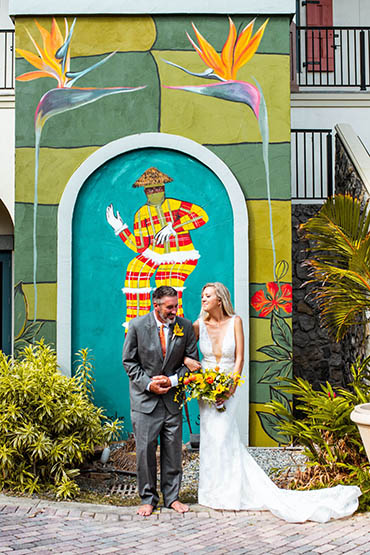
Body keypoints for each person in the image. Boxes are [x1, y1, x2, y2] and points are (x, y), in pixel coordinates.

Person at [184, 282, 362, 523]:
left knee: (224, 435)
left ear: (220, 300)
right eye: (202, 295)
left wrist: (231, 387)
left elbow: (239, 359)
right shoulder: (198, 325)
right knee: (211, 437)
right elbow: (182, 350)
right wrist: (189, 364)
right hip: (206, 387)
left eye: (208, 296)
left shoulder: (235, 321)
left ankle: (230, 493)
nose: (203, 299)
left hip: (228, 385)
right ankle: (211, 493)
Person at [122, 285, 198, 516]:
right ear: (156, 306)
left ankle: (172, 498)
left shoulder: (185, 327)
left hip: (172, 400)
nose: (175, 310)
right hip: (145, 402)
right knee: (145, 452)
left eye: (176, 305)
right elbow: (129, 362)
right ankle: (148, 498)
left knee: (173, 452)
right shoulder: (136, 326)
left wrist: (173, 381)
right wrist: (148, 383)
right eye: (170, 307)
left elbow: (192, 361)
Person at [106, 166, 208, 326]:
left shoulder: (175, 205)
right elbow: (139, 247)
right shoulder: (141, 214)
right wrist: (120, 229)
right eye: (151, 189)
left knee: (166, 278)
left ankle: (175, 329)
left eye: (158, 188)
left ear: (164, 188)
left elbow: (201, 215)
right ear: (145, 192)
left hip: (181, 253)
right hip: (154, 254)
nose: (155, 192)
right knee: (135, 271)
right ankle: (138, 328)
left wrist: (174, 227)